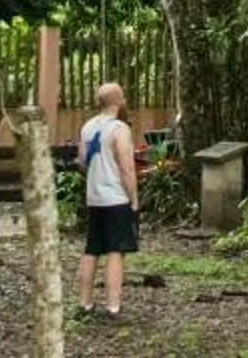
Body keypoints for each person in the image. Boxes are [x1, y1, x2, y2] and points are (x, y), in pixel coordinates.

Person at [75, 81, 140, 320]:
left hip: (94, 197)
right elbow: (127, 168)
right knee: (115, 250)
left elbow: (82, 163)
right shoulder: (119, 129)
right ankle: (113, 306)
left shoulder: (87, 127)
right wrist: (133, 198)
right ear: (118, 101)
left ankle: (84, 303)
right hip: (115, 197)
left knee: (92, 249)